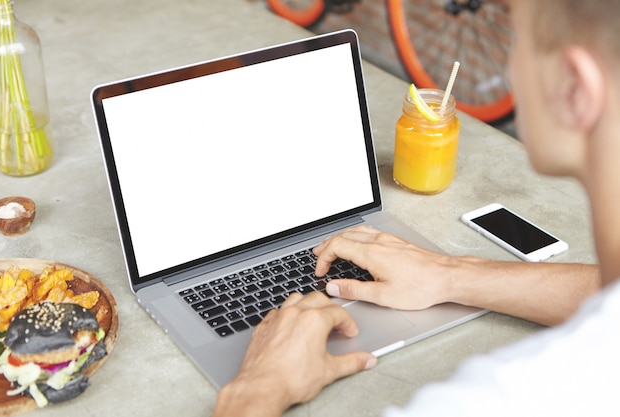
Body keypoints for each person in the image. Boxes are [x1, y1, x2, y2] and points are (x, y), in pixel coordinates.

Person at [212, 0, 620, 415]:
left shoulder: (493, 401)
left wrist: (258, 388)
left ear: (575, 88)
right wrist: (452, 274)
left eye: (518, 43)